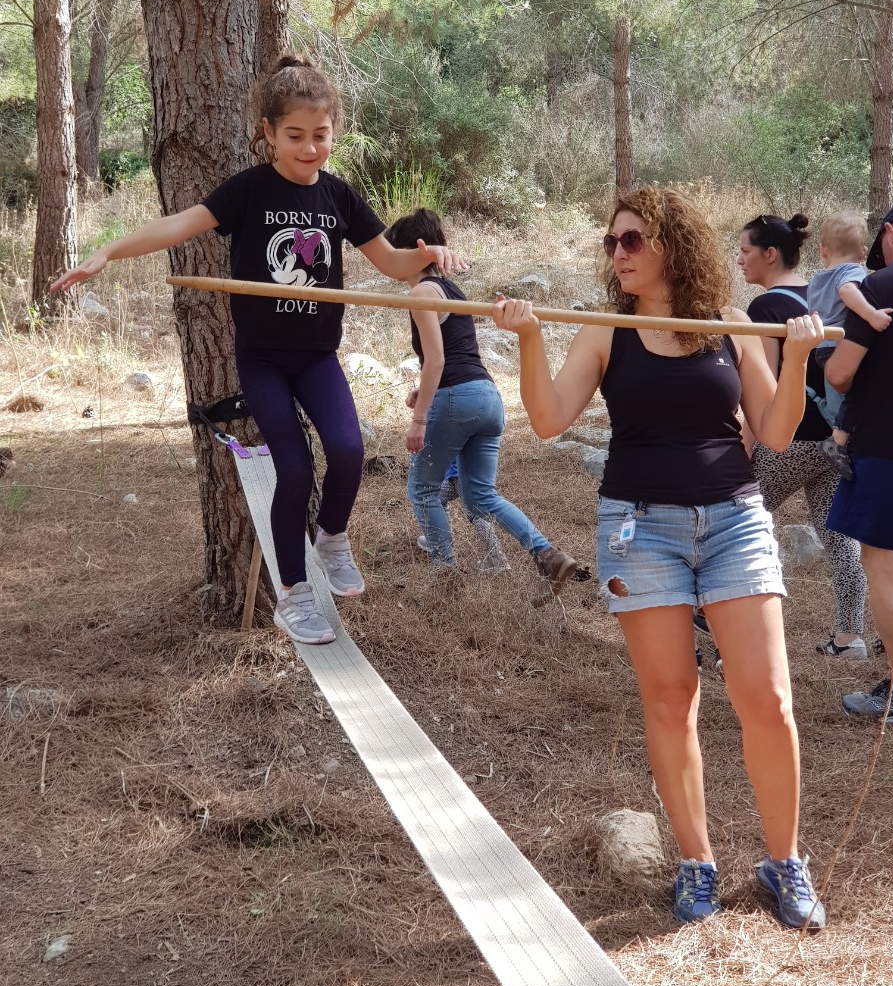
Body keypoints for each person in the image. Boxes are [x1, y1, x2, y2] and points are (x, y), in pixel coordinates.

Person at [494, 186, 827, 930]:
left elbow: (774, 432)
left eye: (633, 239)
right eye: (613, 243)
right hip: (638, 530)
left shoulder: (727, 322)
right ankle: (696, 863)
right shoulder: (607, 327)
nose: (620, 253)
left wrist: (796, 356)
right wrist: (527, 337)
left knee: (767, 697)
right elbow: (548, 420)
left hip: (736, 520)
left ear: (673, 243)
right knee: (672, 699)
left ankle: (786, 864)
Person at [51, 54, 464, 647]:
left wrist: (430, 257)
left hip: (318, 358)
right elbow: (176, 225)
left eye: (320, 136)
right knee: (293, 468)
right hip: (264, 361)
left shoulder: (341, 199)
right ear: (269, 133)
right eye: (295, 135)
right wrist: (108, 252)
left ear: (334, 132)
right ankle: (294, 597)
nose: (310, 148)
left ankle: (333, 539)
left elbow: (394, 263)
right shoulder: (247, 192)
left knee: (348, 451)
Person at [383, 209, 576, 593]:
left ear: (414, 252)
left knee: (422, 490)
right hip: (487, 397)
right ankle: (547, 553)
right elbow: (456, 354)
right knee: (480, 496)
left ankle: (446, 576)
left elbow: (437, 359)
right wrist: (426, 391)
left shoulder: (421, 292)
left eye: (394, 252)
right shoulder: (455, 291)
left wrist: (419, 419)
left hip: (456, 397)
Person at [737, 213, 869, 661]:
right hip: (833, 437)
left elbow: (765, 390)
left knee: (738, 522)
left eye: (745, 251)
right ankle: (850, 637)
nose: (740, 260)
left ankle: (726, 626)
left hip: (789, 441)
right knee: (837, 536)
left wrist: (745, 443)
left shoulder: (765, 309)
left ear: (770, 254)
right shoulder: (821, 293)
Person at [825, 204, 893, 723]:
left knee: (886, 567)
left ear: (892, 233)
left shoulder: (882, 288)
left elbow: (841, 373)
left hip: (887, 449)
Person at [808, 211, 893, 478]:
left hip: (822, 346)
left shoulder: (818, 277)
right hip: (838, 344)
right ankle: (837, 441)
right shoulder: (853, 271)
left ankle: (828, 419)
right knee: (853, 394)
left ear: (823, 251)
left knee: (842, 396)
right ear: (862, 251)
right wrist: (872, 315)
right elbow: (847, 292)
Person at [415, 461, 510, 573]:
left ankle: (496, 560)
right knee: (435, 500)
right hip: (455, 473)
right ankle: (439, 542)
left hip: (465, 472)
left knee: (477, 514)